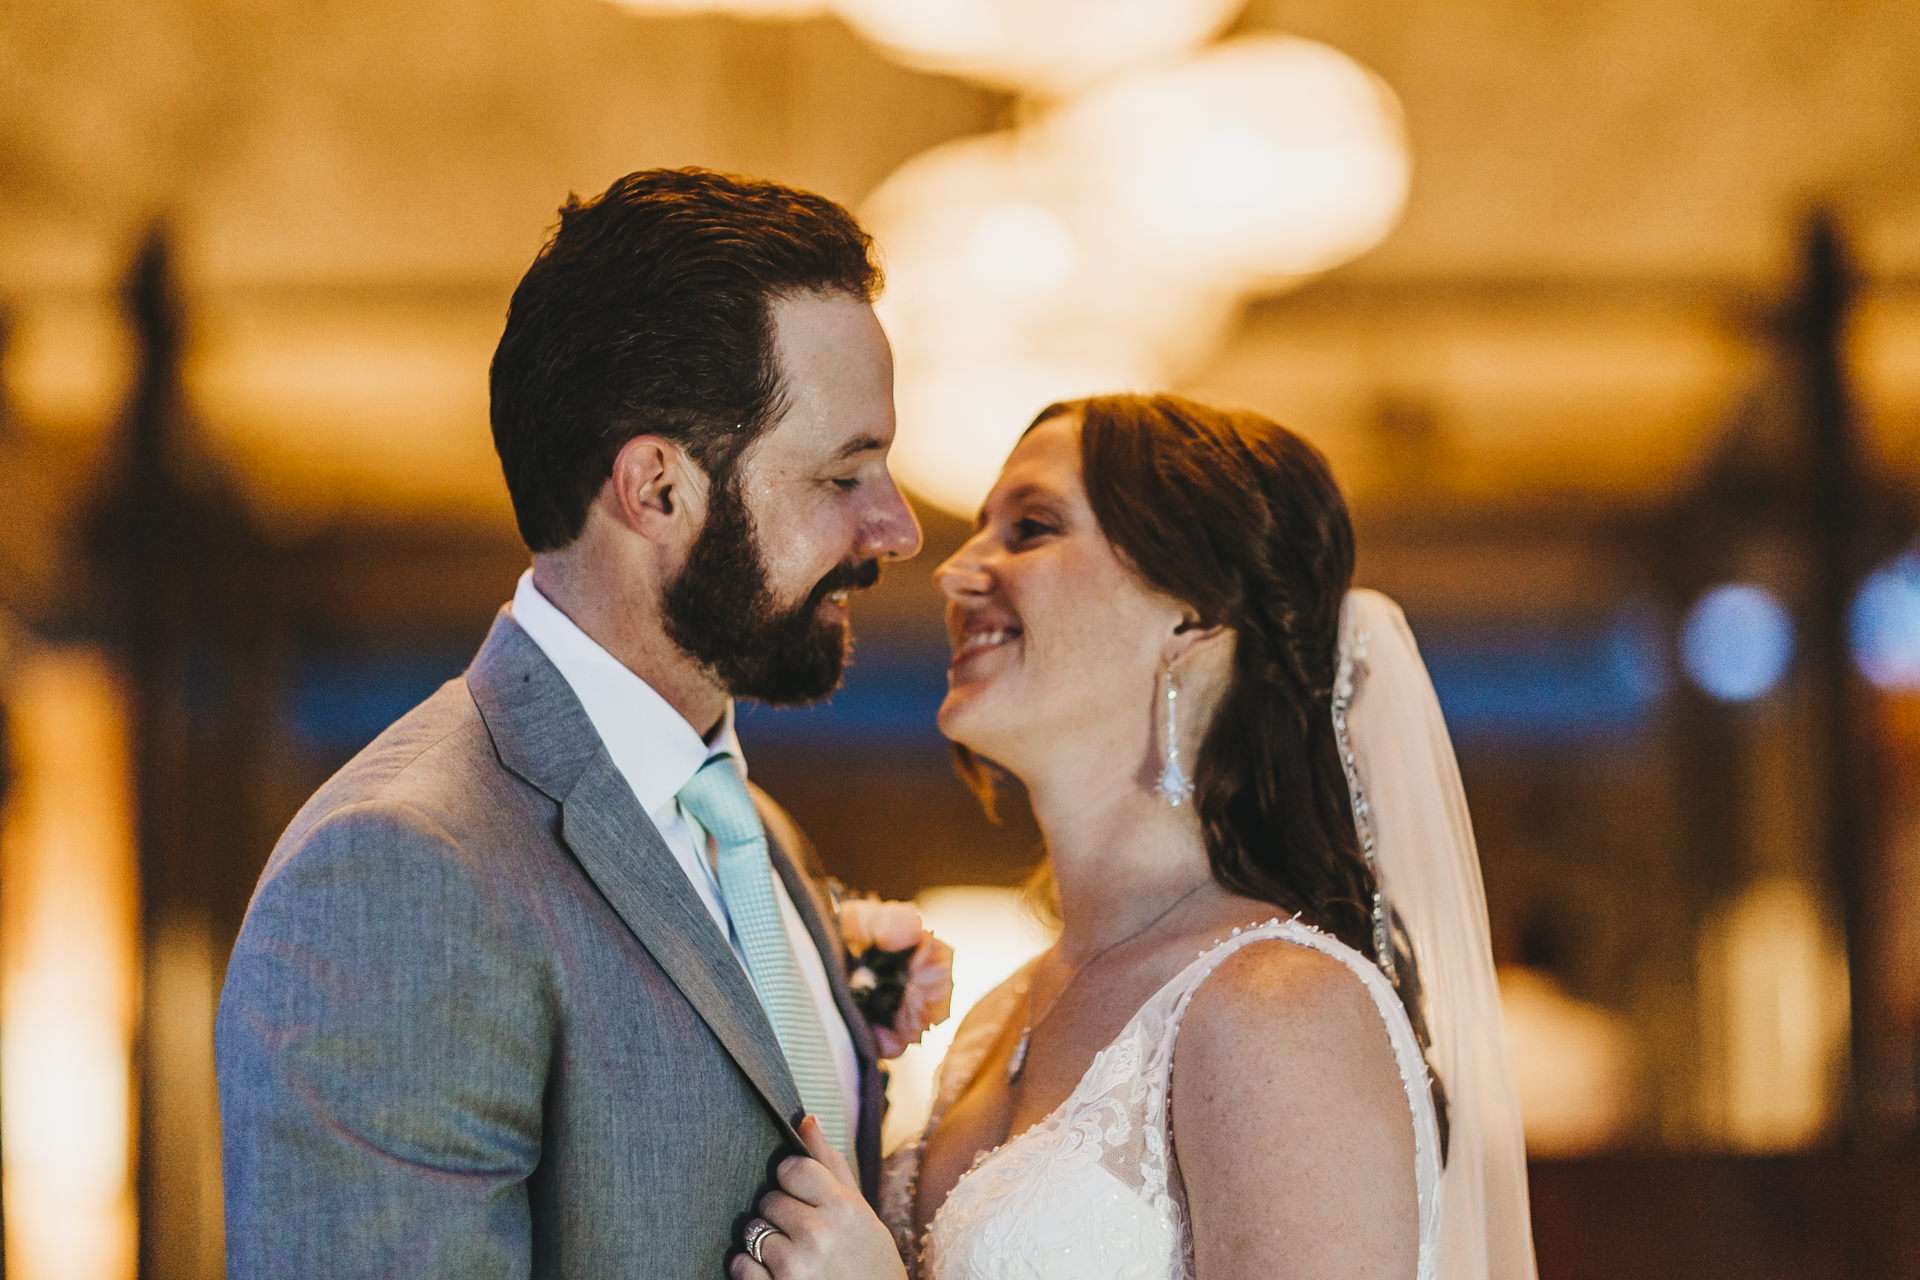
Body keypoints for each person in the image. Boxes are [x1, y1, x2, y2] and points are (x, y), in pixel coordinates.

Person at [216, 167, 923, 1277]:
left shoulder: (757, 833)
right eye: (846, 474)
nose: (899, 527)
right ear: (657, 489)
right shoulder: (404, 870)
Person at [730, 394, 1537, 1279]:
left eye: (1032, 528)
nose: (957, 571)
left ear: (1190, 614)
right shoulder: (1000, 1021)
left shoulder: (1279, 1006)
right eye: (980, 531)